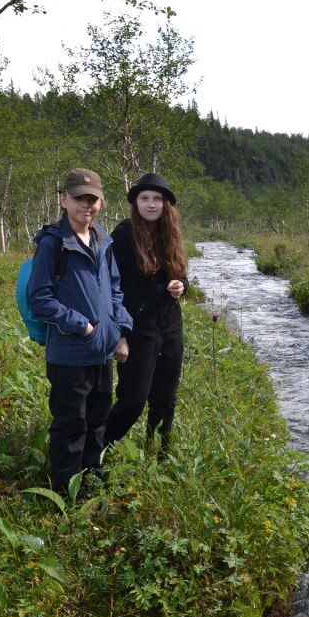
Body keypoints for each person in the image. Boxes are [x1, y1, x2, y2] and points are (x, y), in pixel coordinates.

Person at [28, 168, 133, 491]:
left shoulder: (103, 238)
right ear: (64, 200)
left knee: (97, 422)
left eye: (92, 199)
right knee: (70, 425)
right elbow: (39, 298)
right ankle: (65, 492)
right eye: (78, 199)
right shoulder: (53, 244)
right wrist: (83, 327)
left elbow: (115, 288)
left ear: (100, 202)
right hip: (70, 355)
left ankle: (92, 480)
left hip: (102, 353)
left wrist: (120, 331)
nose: (85, 205)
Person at [102, 172, 188, 451]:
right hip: (137, 328)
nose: (151, 204)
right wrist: (120, 335)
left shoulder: (169, 234)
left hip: (170, 325)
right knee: (133, 399)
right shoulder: (124, 235)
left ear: (166, 205)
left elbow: (180, 274)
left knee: (165, 397)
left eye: (157, 199)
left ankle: (160, 454)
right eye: (144, 198)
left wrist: (180, 285)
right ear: (135, 203)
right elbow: (110, 287)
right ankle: (97, 450)